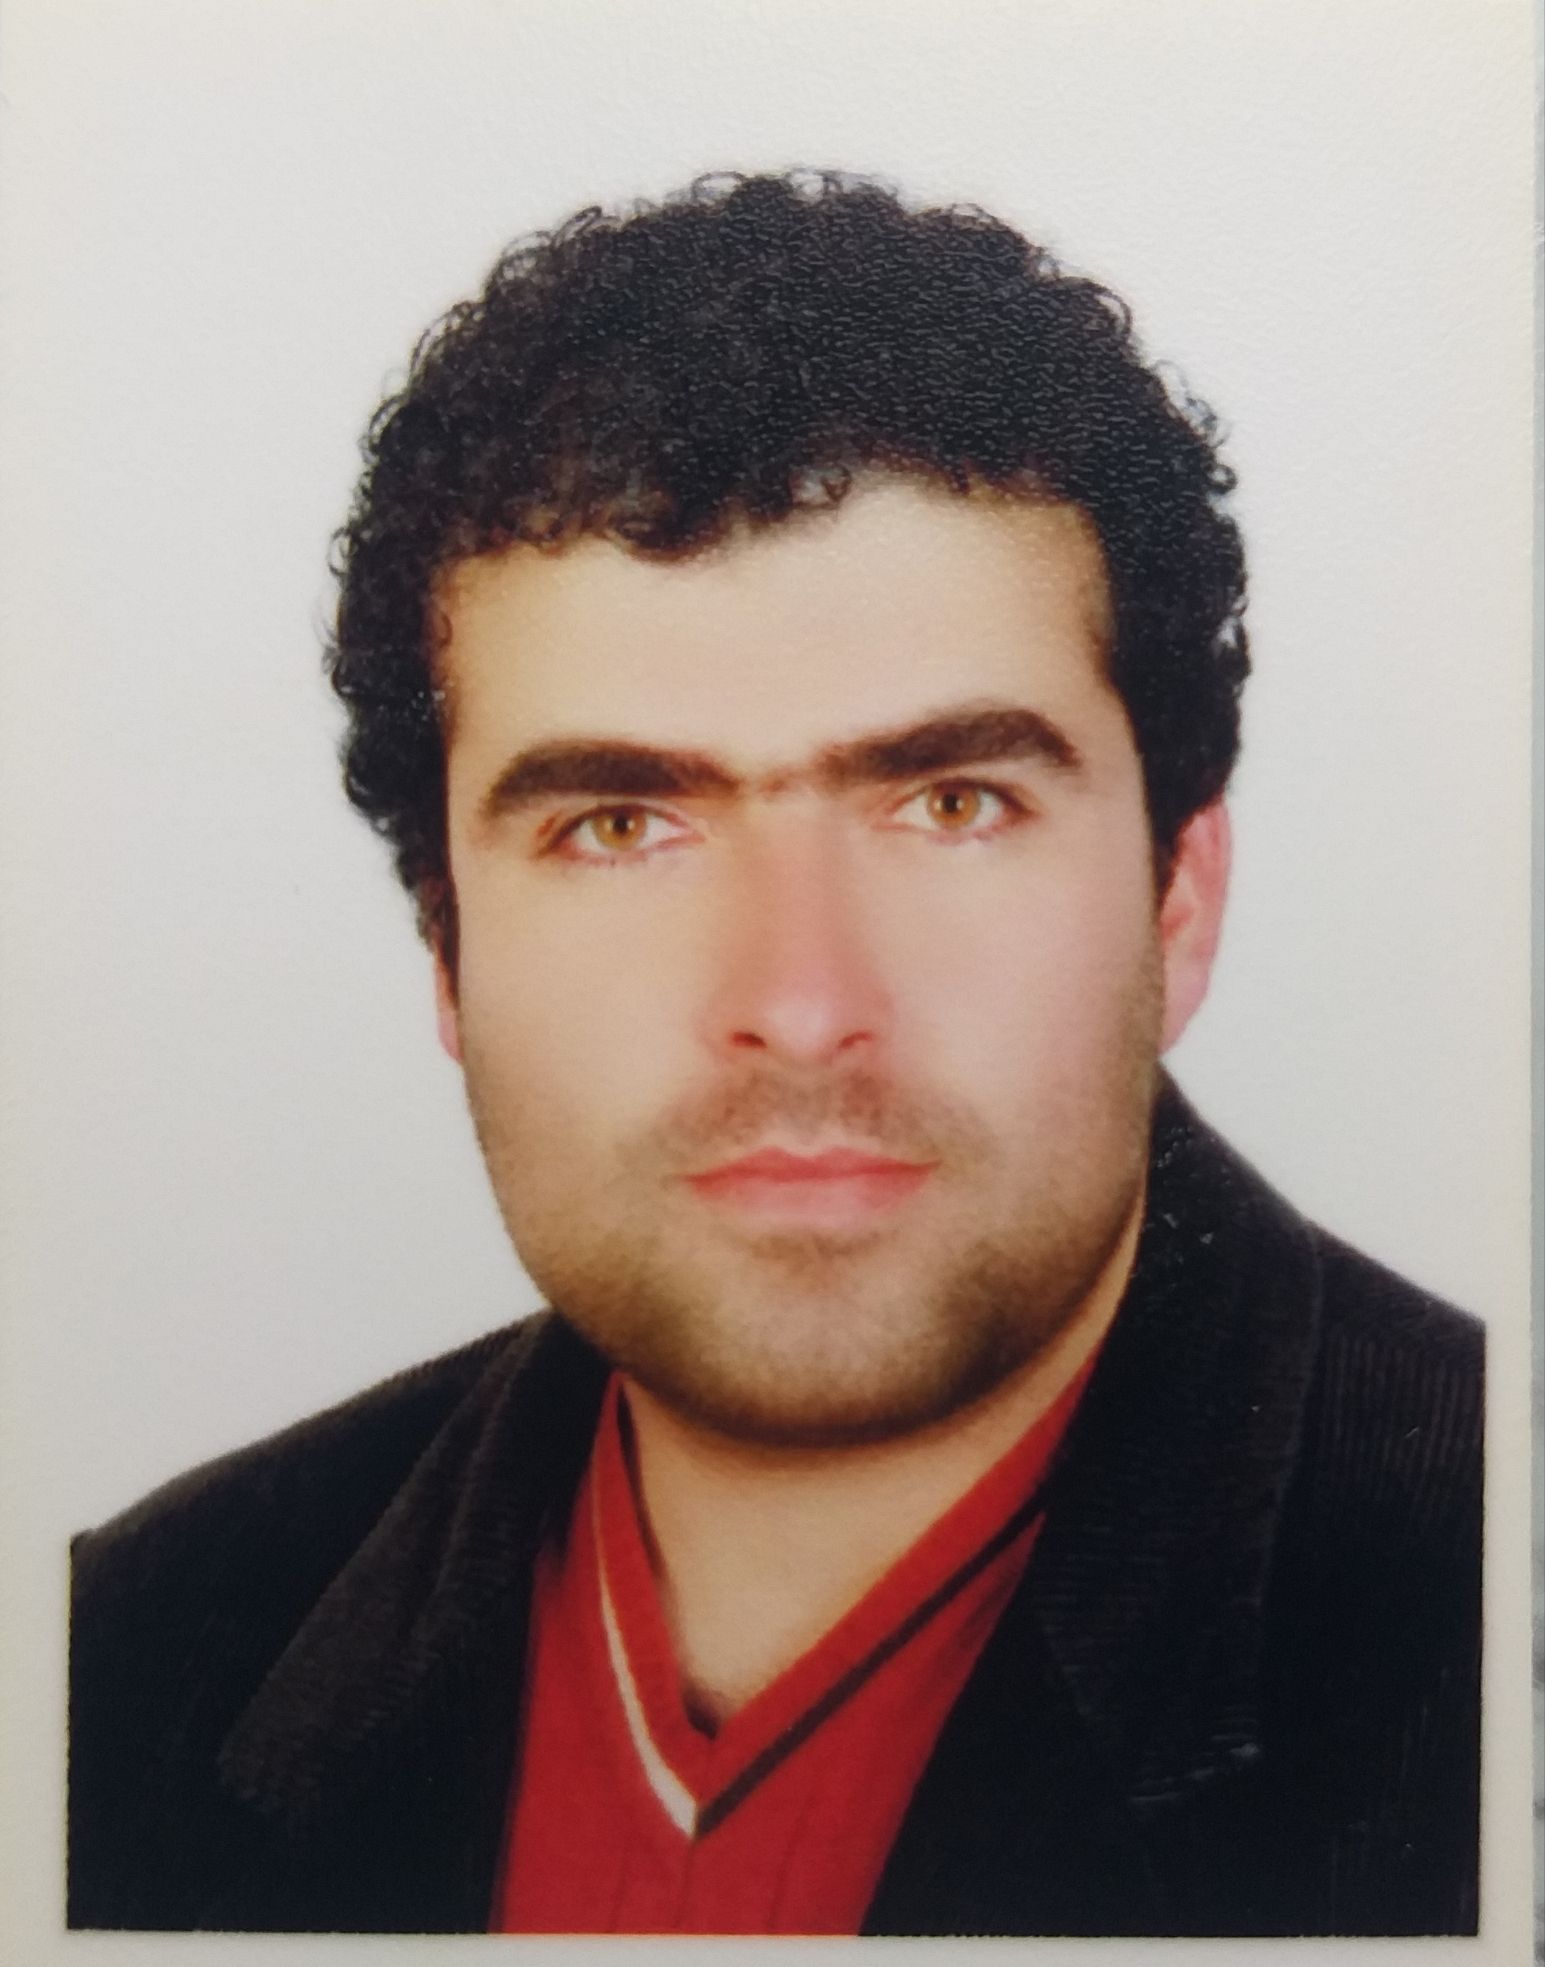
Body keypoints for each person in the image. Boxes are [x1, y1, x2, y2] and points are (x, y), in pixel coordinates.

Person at [67, 171, 1482, 1938]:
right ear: (446, 952)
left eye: (951, 803)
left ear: (1177, 900)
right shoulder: (117, 1662)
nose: (802, 1003)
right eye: (617, 826)